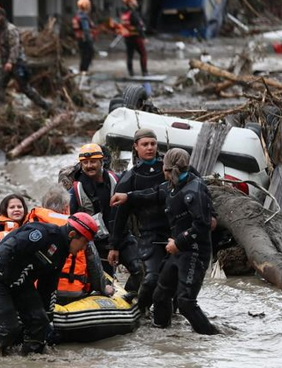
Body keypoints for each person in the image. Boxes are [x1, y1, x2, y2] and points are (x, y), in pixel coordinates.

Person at [115, 149, 218, 335]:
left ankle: (213, 336)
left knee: (186, 302)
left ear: (171, 170)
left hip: (194, 252)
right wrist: (128, 196)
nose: (162, 172)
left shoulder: (194, 190)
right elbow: (153, 193)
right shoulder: (171, 185)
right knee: (160, 295)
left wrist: (178, 242)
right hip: (177, 251)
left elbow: (203, 225)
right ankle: (162, 337)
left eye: (165, 169)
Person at [0, 212, 98, 355]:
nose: (83, 248)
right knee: (9, 328)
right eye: (84, 242)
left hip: (21, 281)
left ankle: (28, 361)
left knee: (39, 324)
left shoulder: (62, 252)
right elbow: (7, 248)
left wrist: (48, 316)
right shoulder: (42, 234)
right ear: (72, 234)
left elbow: (48, 285)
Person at [110, 128, 171, 312]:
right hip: (149, 234)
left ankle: (167, 324)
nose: (150, 148)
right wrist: (114, 245)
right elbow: (120, 216)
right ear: (136, 147)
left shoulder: (168, 170)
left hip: (174, 232)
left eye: (153, 144)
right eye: (145, 144)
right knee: (152, 278)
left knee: (171, 283)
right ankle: (140, 309)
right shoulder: (130, 178)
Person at [69, 143, 143, 290]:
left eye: (93, 162)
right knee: (105, 284)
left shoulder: (118, 180)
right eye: (85, 163)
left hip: (122, 237)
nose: (89, 166)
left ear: (102, 161)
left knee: (139, 269)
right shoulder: (75, 191)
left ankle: (130, 298)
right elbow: (70, 222)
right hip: (97, 244)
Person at [27, 185, 111, 304]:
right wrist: (103, 288)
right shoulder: (80, 228)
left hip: (38, 291)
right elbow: (94, 265)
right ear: (67, 207)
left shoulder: (33, 225)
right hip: (72, 292)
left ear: (43, 207)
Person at [0, 7, 51, 111]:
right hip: (7, 64)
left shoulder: (10, 29)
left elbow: (15, 47)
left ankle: (45, 106)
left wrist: (10, 62)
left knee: (25, 88)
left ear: (0, 18)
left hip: (17, 63)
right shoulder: (2, 30)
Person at [120, 0, 148, 76]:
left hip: (127, 38)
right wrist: (144, 37)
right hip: (136, 37)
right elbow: (139, 26)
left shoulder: (124, 13)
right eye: (134, 1)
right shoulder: (134, 13)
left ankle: (131, 72)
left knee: (130, 55)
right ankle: (144, 72)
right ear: (130, 3)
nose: (136, 2)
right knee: (143, 54)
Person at [72, 0, 95, 73]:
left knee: (83, 55)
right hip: (85, 39)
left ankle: (82, 71)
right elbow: (86, 30)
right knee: (88, 55)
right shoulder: (84, 17)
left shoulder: (77, 15)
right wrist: (90, 41)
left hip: (79, 39)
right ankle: (84, 71)